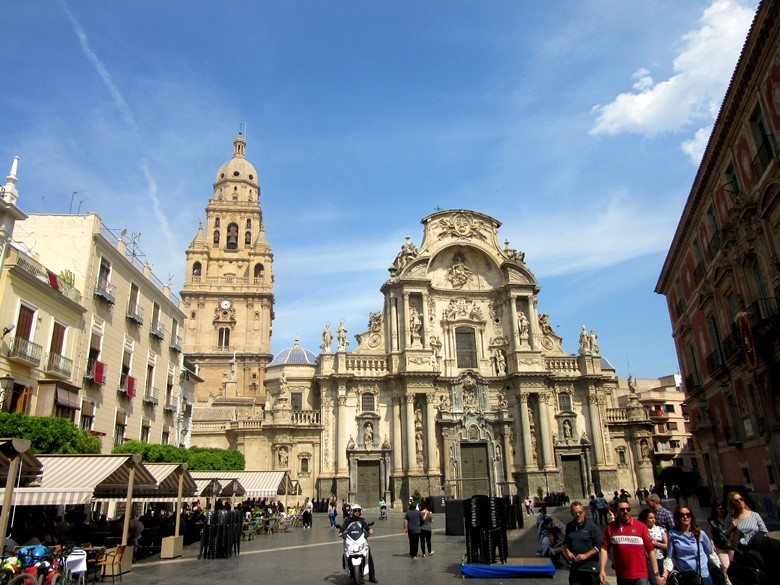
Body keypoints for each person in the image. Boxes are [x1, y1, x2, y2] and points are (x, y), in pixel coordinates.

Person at [599, 500, 663, 585]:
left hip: (640, 576)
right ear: (617, 511)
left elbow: (650, 551)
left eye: (628, 509)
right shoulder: (611, 527)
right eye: (622, 509)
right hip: (622, 576)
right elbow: (604, 548)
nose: (625, 511)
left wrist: (656, 574)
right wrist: (602, 569)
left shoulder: (641, 527)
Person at [662, 506, 721, 585]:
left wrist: (720, 571)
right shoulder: (673, 534)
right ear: (677, 518)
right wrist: (664, 576)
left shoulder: (700, 534)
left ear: (691, 516)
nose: (685, 517)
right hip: (685, 577)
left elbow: (711, 553)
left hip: (702, 575)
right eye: (681, 515)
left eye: (688, 514)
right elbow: (670, 557)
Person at [563, 501, 601, 585]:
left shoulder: (592, 526)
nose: (578, 515)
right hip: (575, 568)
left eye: (580, 512)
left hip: (590, 568)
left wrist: (585, 555)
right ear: (572, 513)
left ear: (584, 512)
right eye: (575, 513)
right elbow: (565, 543)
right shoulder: (569, 526)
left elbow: (599, 545)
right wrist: (568, 552)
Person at [339, 505, 378, 583]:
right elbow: (343, 528)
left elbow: (366, 527)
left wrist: (370, 530)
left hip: (360, 541)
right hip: (351, 540)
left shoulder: (362, 520)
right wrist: (340, 532)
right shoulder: (348, 520)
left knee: (369, 556)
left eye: (359, 511)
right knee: (345, 553)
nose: (357, 512)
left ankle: (372, 576)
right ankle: (348, 567)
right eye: (355, 510)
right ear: (352, 511)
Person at [707, 501, 732, 585]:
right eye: (720, 508)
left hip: (731, 547)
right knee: (725, 567)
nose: (722, 510)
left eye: (723, 508)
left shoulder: (729, 518)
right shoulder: (712, 521)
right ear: (715, 510)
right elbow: (710, 532)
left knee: (733, 567)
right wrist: (712, 542)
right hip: (720, 547)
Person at [639, 508, 668, 581]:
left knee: (661, 579)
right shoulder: (642, 529)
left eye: (654, 517)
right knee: (652, 579)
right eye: (650, 518)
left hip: (659, 557)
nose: (653, 520)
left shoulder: (660, 529)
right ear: (645, 519)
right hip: (647, 558)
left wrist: (656, 543)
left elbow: (667, 545)